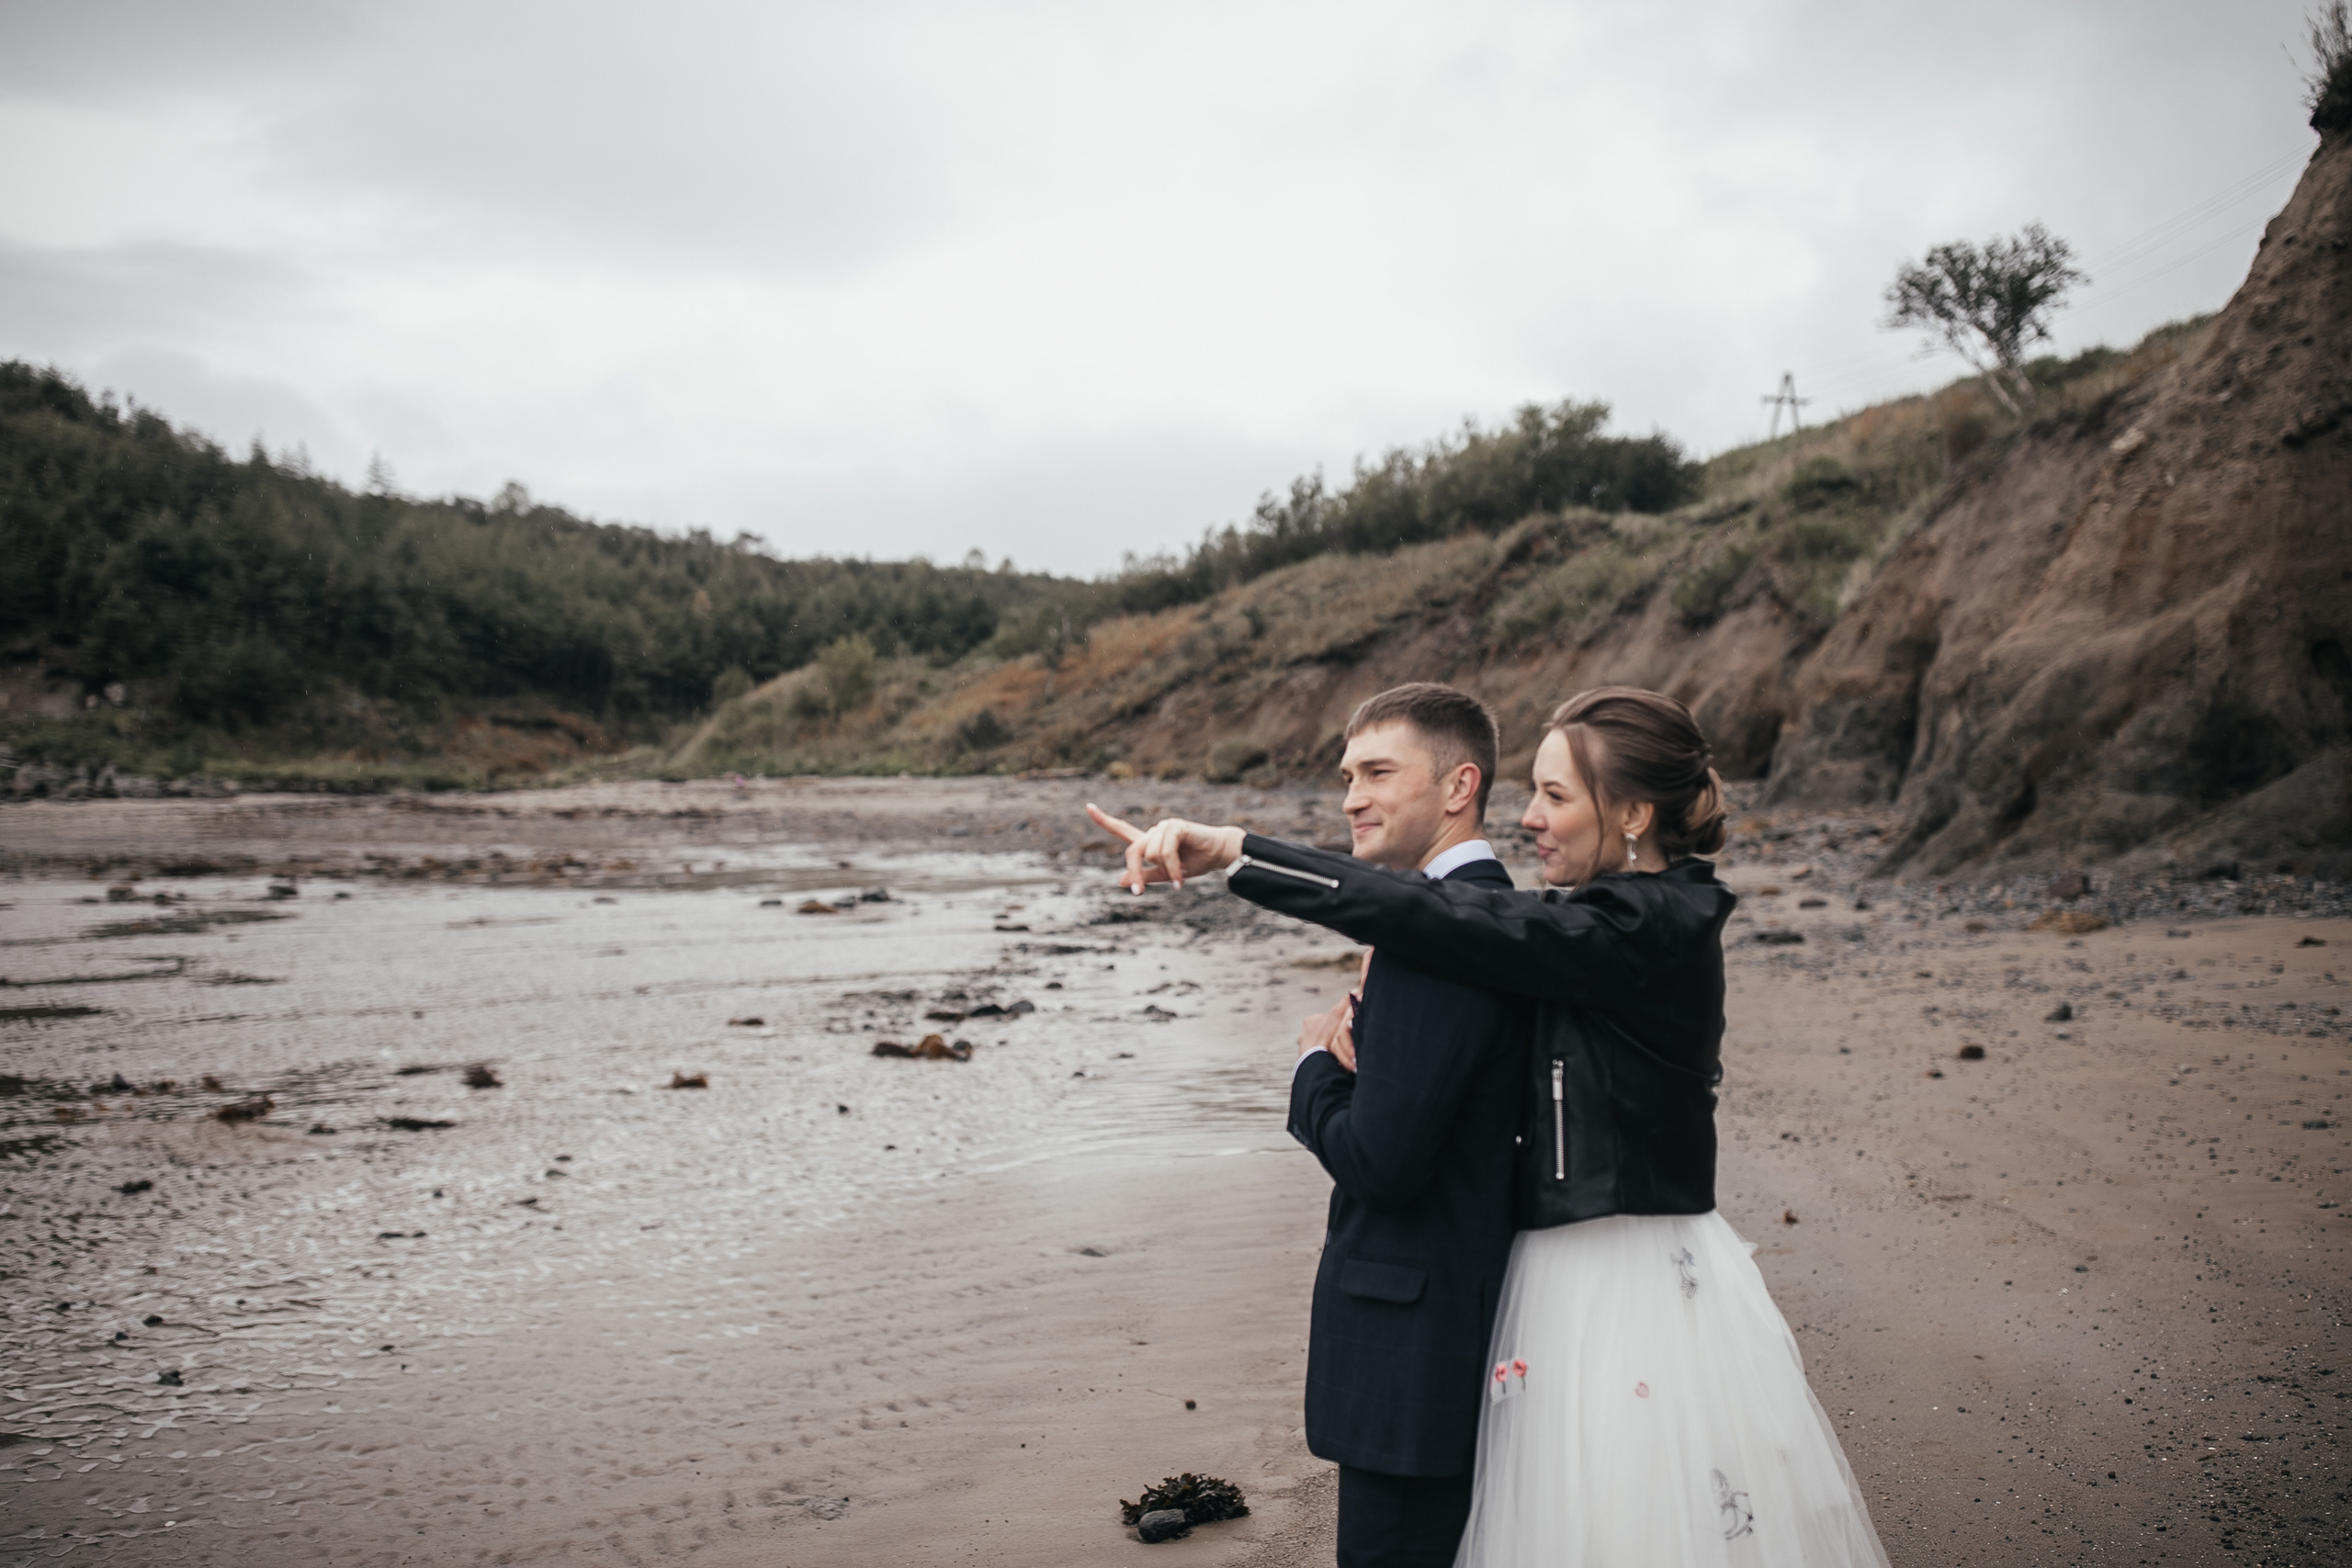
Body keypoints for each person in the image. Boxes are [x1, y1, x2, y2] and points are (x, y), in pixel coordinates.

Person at [1095, 687, 1890, 1568]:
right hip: (1557, 1271)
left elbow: (1442, 920)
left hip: (1622, 1282)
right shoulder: (1602, 918)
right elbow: (1459, 948)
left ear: (1630, 810)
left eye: (1556, 795)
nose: (1529, 815)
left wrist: (1238, 854)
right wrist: (1374, 1022)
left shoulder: (1642, 926)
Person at [1091, 683, 1527, 1568]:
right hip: (1456, 1324)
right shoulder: (1474, 905)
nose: (1350, 797)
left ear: (1458, 786)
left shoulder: (1437, 935)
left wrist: (1312, 1068)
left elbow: (1383, 1163)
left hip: (1413, 1351)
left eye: (1376, 772)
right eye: (1345, 775)